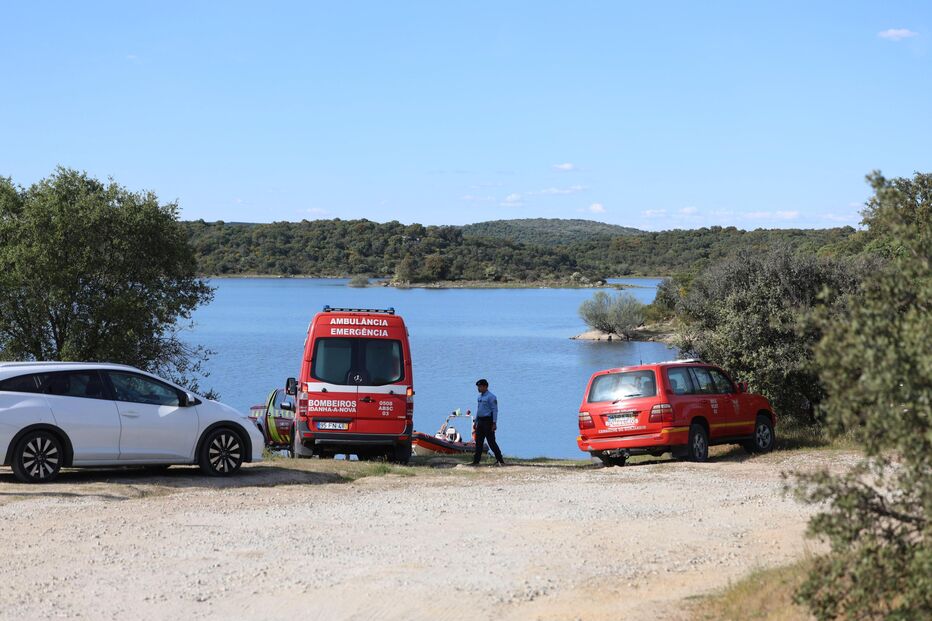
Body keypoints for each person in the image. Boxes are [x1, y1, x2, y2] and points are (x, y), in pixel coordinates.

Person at [471, 379, 505, 466]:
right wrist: (476, 422)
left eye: (480, 386)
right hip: (480, 421)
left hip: (488, 421)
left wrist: (494, 423)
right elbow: (479, 410)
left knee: (491, 442)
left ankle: (500, 460)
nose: (478, 388)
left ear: (485, 386)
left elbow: (495, 410)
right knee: (479, 442)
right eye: (478, 387)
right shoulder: (479, 397)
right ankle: (476, 461)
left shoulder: (491, 397)